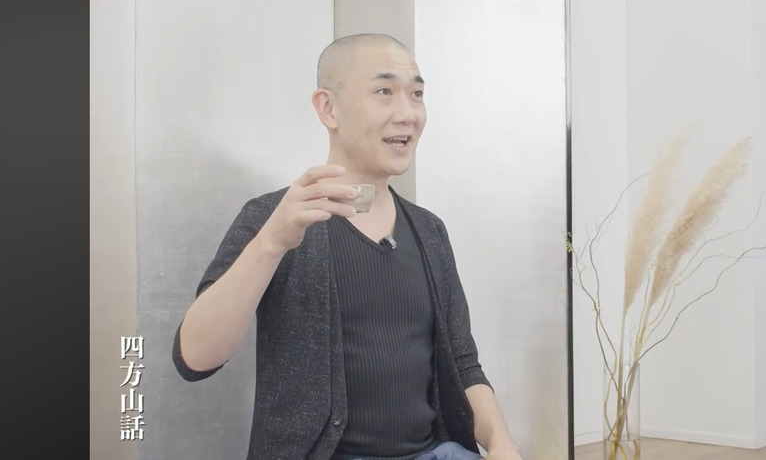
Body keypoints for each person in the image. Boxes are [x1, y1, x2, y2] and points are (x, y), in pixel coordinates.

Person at [171, 33, 523, 460]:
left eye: (416, 94)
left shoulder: (430, 231)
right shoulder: (272, 218)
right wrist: (271, 243)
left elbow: (463, 364)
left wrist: (502, 444)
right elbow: (194, 358)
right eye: (384, 91)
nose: (407, 113)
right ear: (328, 108)